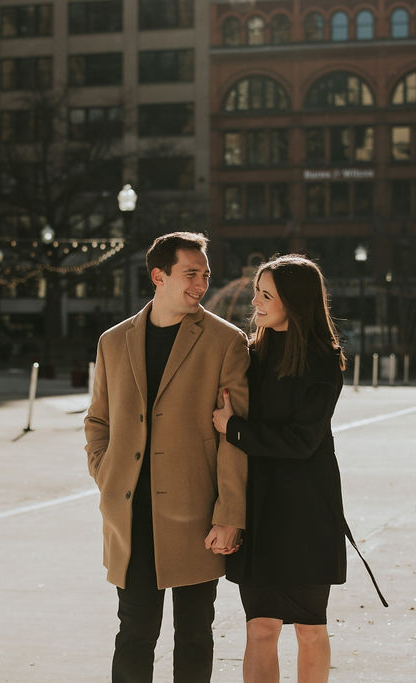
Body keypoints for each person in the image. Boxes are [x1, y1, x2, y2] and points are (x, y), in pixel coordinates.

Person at [84, 231, 250, 683]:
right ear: (159, 276)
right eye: (190, 274)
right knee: (134, 633)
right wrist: (107, 474)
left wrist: (230, 514)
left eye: (206, 275)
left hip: (198, 514)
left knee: (194, 633)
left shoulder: (226, 341)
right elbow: (98, 422)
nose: (201, 284)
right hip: (131, 516)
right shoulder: (113, 342)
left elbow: (236, 438)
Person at [212, 254, 348, 683]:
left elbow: (301, 441)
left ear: (294, 300)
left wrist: (235, 429)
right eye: (257, 291)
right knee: (260, 627)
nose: (255, 301)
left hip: (308, 511)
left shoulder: (324, 361)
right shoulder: (251, 355)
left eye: (266, 294)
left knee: (310, 629)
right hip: (261, 510)